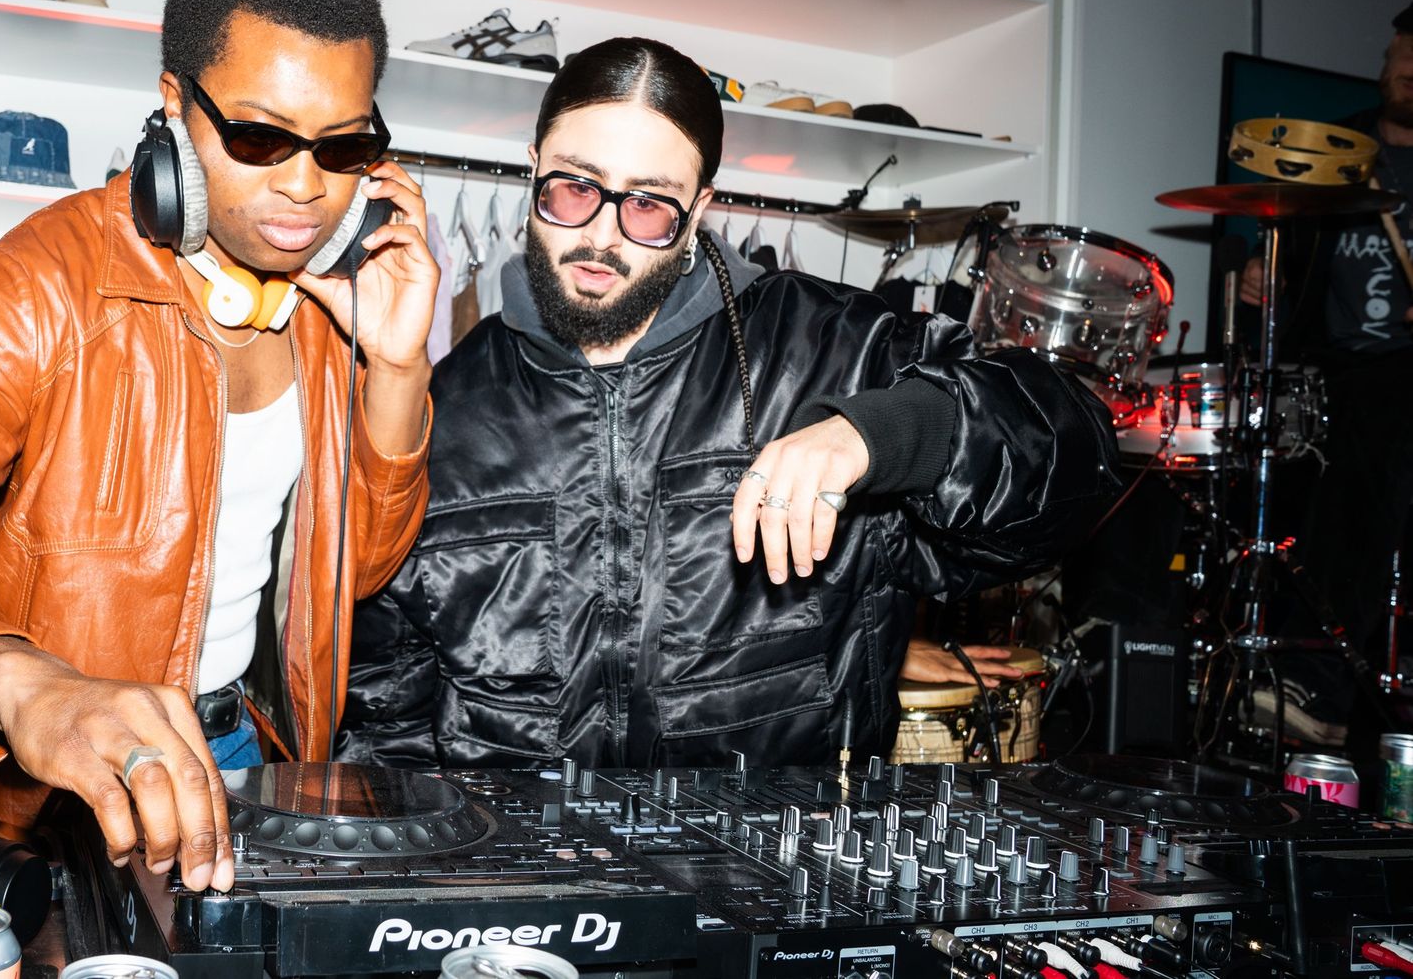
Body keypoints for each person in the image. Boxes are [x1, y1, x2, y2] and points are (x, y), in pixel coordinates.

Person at [0, 0, 438, 890]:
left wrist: (398, 365)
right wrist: (27, 687)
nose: (305, 185)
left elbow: (356, 570)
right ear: (175, 103)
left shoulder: (335, 307)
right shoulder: (36, 283)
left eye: (342, 147)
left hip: (241, 758)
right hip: (44, 793)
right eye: (260, 137)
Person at [338, 38, 1120, 769]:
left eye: (649, 204)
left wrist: (879, 435)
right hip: (521, 857)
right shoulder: (441, 406)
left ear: (699, 209)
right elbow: (384, 710)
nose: (603, 237)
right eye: (575, 187)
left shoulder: (833, 351)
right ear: (534, 167)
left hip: (787, 853)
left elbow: (1072, 457)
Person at [1238, 2, 1413, 745]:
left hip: (1399, 380)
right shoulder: (1335, 154)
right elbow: (1283, 252)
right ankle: (1259, 665)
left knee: (1382, 413)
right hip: (1327, 371)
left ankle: (1318, 679)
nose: (1410, 70)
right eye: (1403, 55)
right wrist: (1259, 273)